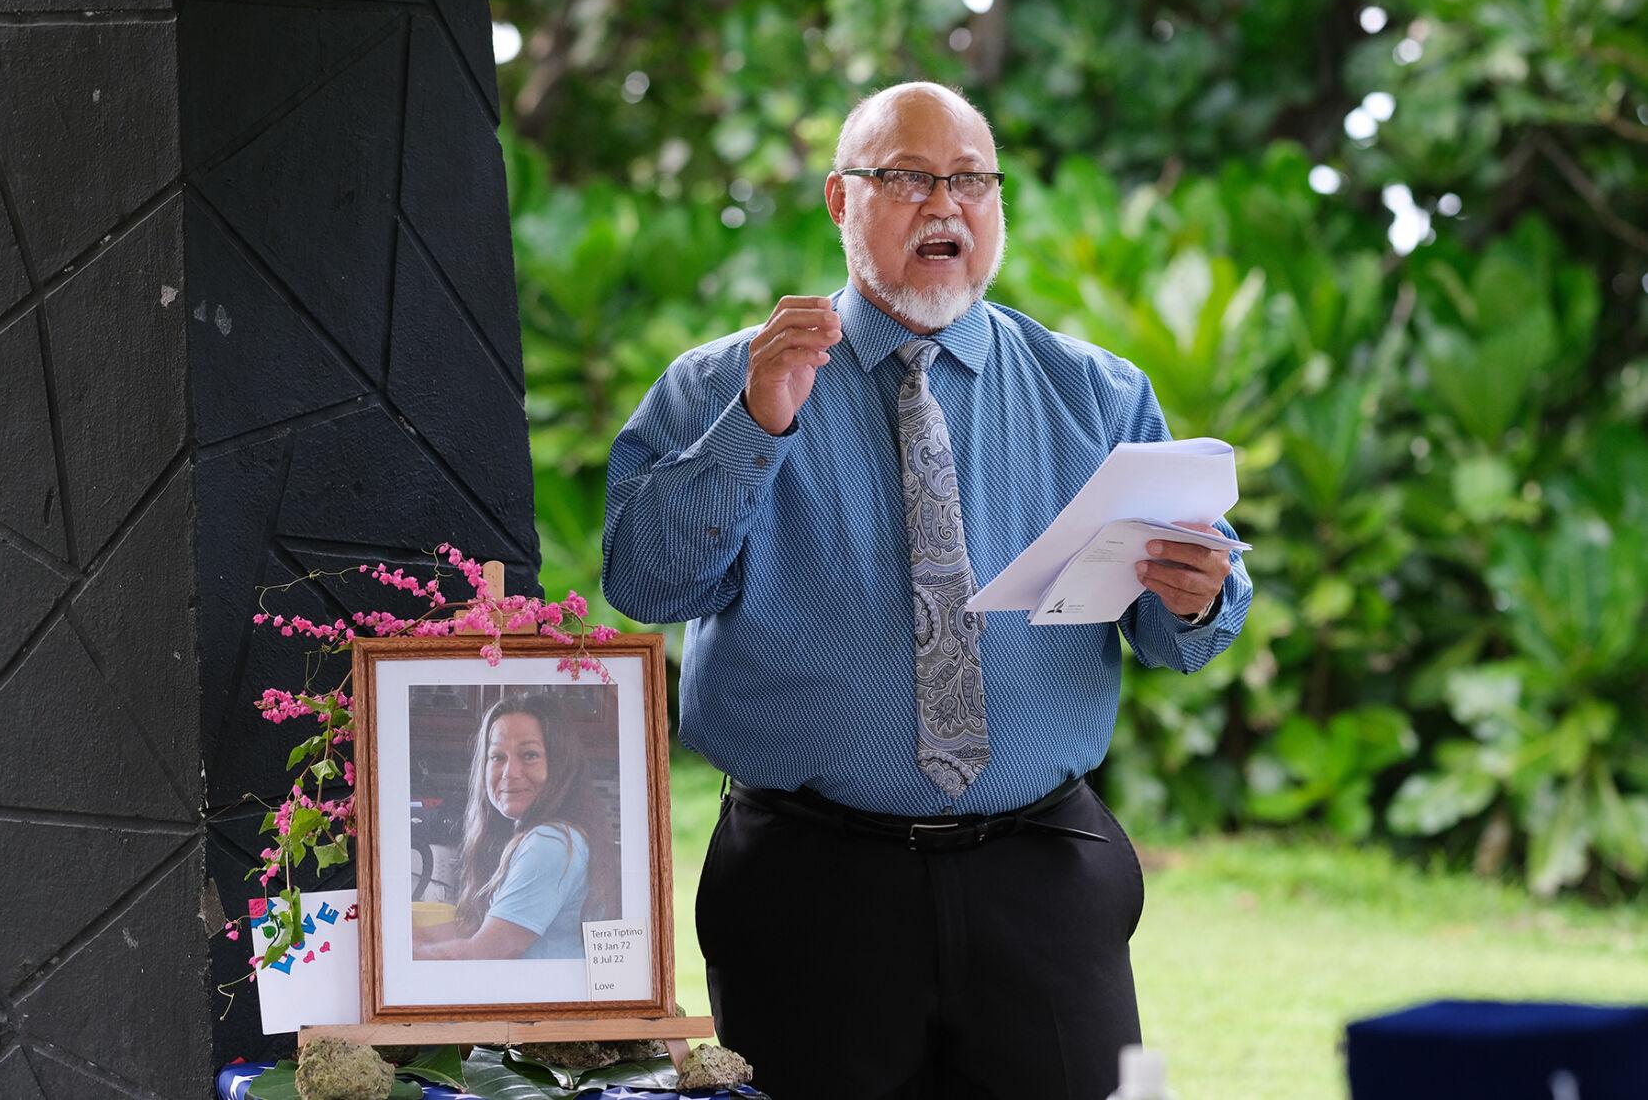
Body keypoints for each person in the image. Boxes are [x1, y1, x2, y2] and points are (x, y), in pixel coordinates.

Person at [602, 82, 1253, 1098]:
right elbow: (646, 582)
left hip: (1038, 870)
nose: (944, 204)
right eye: (906, 178)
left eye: (969, 180)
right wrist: (754, 426)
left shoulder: (1099, 392)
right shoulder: (719, 382)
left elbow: (1182, 636)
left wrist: (1197, 598)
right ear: (837, 200)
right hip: (807, 883)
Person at [414, 694, 611, 961]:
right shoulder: (548, 836)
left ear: (559, 765)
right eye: (497, 757)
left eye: (529, 755)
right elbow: (475, 929)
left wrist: (399, 959)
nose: (509, 772)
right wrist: (405, 934)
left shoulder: (549, 843)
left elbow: (483, 953)